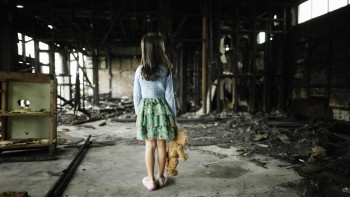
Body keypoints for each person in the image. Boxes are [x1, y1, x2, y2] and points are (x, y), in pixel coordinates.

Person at [133, 33, 177, 191]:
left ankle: (151, 180)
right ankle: (160, 177)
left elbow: (136, 96)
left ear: (145, 50)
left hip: (146, 111)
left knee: (149, 146)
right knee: (161, 145)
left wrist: (139, 115)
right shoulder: (166, 70)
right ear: (160, 49)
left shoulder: (139, 71)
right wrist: (174, 118)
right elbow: (170, 96)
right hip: (162, 109)